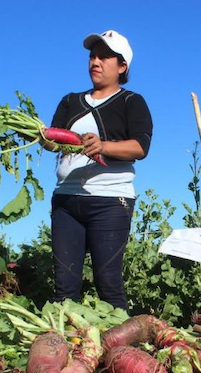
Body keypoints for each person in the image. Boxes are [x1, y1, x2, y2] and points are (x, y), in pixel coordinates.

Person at [49, 30, 153, 311]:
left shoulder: (131, 102)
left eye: (105, 56)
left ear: (122, 67)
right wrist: (42, 137)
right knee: (64, 286)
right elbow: (53, 140)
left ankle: (123, 350)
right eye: (92, 56)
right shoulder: (70, 100)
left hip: (110, 201)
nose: (95, 61)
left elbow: (140, 147)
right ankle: (64, 348)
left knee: (108, 282)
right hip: (66, 201)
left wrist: (103, 146)